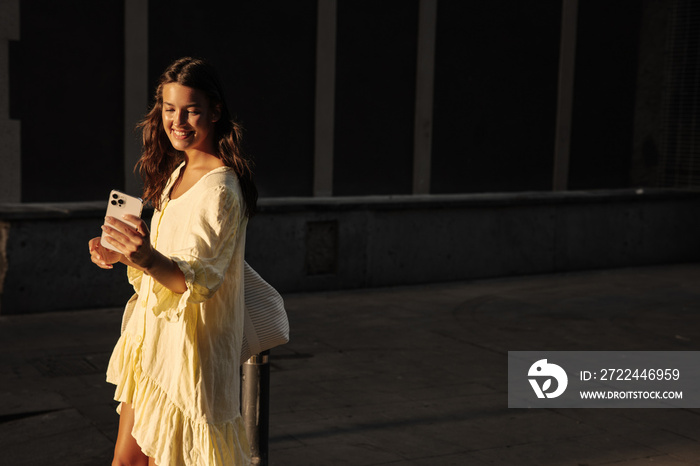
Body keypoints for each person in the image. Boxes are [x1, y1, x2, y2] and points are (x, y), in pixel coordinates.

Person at [88, 57, 257, 466]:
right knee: (126, 461)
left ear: (215, 111)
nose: (177, 120)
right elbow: (166, 262)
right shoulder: (175, 172)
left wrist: (146, 256)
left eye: (191, 109)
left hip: (190, 356)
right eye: (169, 109)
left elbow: (193, 281)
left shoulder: (221, 189)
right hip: (151, 344)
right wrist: (125, 253)